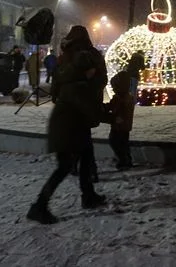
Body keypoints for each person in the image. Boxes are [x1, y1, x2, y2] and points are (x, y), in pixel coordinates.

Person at [26, 50, 107, 224]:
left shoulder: (77, 82)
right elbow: (90, 110)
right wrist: (113, 117)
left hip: (76, 130)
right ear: (87, 69)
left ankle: (89, 196)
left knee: (86, 160)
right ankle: (39, 206)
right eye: (93, 69)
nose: (95, 72)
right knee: (63, 169)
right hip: (67, 134)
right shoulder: (77, 86)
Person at [62, 26, 107, 183]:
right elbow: (102, 80)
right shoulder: (93, 54)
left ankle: (81, 167)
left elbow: (60, 77)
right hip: (86, 103)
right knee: (83, 136)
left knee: (77, 136)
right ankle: (86, 169)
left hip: (73, 103)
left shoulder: (68, 54)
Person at [106, 71, 135, 169]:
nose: (113, 89)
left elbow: (113, 108)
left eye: (114, 87)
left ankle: (123, 160)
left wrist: (106, 109)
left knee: (114, 142)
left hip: (119, 125)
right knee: (124, 143)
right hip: (124, 125)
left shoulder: (120, 98)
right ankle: (127, 160)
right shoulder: (127, 97)